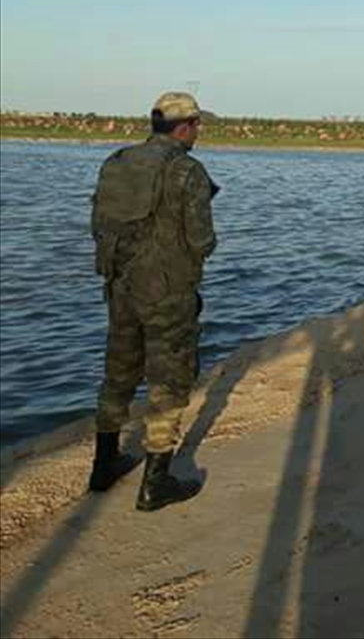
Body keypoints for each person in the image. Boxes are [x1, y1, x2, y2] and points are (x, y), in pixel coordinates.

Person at [88, 92, 217, 511]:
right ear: (186, 127)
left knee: (119, 371)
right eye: (197, 125)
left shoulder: (118, 162)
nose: (198, 132)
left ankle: (103, 466)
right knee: (169, 379)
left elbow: (99, 225)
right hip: (167, 292)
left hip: (120, 286)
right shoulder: (187, 170)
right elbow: (201, 240)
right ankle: (155, 484)